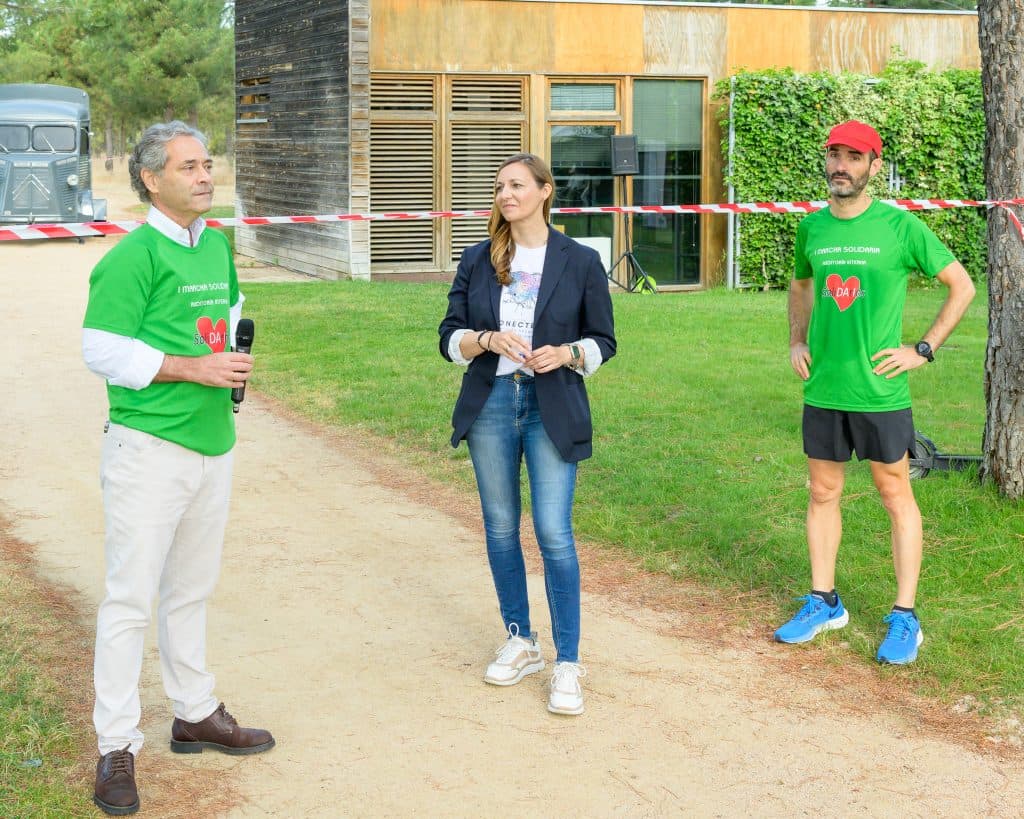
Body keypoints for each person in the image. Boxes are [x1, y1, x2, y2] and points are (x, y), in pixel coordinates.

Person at [82, 121, 273, 816]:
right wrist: (193, 367)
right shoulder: (132, 257)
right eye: (189, 166)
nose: (204, 174)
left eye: (207, 163)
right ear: (151, 179)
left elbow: (227, 311)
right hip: (148, 449)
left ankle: (194, 710)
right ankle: (114, 746)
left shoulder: (216, 244)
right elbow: (101, 348)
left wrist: (221, 356)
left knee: (191, 589)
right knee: (130, 598)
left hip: (212, 444)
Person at [775, 120, 976, 664]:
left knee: (895, 495)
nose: (841, 165)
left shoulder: (900, 227)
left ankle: (905, 616)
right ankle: (824, 602)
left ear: (873, 166)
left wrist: (924, 348)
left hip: (882, 393)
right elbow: (800, 283)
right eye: (834, 154)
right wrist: (797, 339)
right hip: (824, 388)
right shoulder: (812, 228)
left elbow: (962, 284)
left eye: (853, 157)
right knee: (822, 492)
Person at [438, 152, 616, 715]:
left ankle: (568, 661)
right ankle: (521, 640)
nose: (505, 194)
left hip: (552, 406)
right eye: (499, 187)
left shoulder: (581, 260)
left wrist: (566, 353)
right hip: (490, 402)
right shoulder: (477, 259)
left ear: (544, 191)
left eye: (516, 185)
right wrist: (485, 341)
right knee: (498, 527)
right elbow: (448, 337)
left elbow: (603, 342)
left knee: (553, 532)